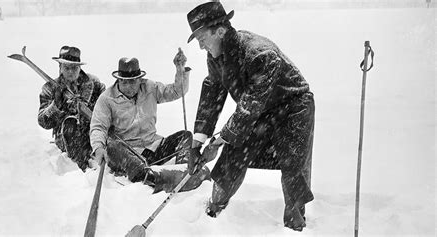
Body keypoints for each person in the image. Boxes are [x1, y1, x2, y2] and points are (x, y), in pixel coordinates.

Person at [185, 2, 315, 231]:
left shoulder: (260, 54)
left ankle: (295, 224)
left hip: (293, 106)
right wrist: (197, 143)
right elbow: (213, 93)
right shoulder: (216, 56)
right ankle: (214, 209)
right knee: (234, 154)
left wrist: (217, 141)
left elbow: (249, 107)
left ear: (220, 31)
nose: (201, 47)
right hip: (261, 111)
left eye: (202, 39)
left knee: (292, 165)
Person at [90, 49, 210, 193]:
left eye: (133, 82)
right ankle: (150, 177)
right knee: (113, 147)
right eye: (125, 82)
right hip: (130, 152)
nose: (129, 87)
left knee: (185, 136)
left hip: (154, 146)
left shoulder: (150, 88)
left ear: (140, 79)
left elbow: (177, 91)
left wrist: (180, 69)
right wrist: (98, 148)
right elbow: (98, 127)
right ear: (118, 80)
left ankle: (184, 171)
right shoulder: (106, 98)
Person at [38, 46, 106, 171]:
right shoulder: (50, 88)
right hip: (66, 136)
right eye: (66, 68)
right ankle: (85, 165)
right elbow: (43, 121)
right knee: (71, 123)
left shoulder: (95, 84)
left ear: (80, 67)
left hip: (94, 132)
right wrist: (56, 105)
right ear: (60, 68)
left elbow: (107, 109)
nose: (70, 72)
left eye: (74, 68)